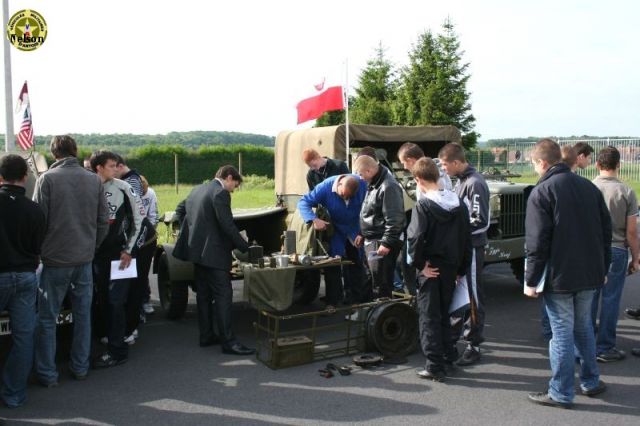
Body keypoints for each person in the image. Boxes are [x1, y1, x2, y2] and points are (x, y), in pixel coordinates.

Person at [524, 139, 611, 409]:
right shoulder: (589, 188)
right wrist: (603, 268)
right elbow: (605, 234)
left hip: (560, 276)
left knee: (561, 332)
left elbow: (537, 243)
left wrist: (530, 279)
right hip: (589, 272)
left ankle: (561, 392)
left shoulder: (542, 191)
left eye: (533, 163)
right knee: (583, 327)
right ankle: (591, 381)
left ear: (542, 162)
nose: (534, 167)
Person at [34, 135, 109, 386]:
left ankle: (47, 373)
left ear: (54, 154)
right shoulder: (93, 180)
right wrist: (92, 246)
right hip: (84, 258)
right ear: (75, 151)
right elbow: (103, 221)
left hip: (54, 260)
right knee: (82, 315)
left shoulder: (47, 179)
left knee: (47, 318)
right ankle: (80, 367)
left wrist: (40, 251)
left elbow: (38, 221)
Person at [173, 165, 253, 355]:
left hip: (197, 253)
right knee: (224, 296)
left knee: (204, 296)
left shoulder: (197, 190)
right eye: (235, 184)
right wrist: (245, 247)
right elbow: (227, 225)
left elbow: (180, 210)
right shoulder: (221, 193)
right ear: (229, 177)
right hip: (215, 255)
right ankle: (229, 342)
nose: (234, 188)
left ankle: (206, 335)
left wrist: (193, 230)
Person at [407, 157, 471, 382]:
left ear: (418, 180)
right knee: (445, 313)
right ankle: (448, 355)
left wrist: (419, 265)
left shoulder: (423, 205)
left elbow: (415, 238)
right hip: (451, 267)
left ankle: (434, 365)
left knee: (428, 317)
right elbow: (466, 240)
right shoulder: (459, 203)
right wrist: (461, 269)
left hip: (431, 267)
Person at [90, 151, 143, 368]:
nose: (116, 168)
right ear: (98, 168)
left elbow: (139, 220)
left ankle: (117, 350)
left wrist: (128, 250)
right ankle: (105, 340)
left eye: (116, 165)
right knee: (101, 301)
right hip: (93, 256)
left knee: (115, 302)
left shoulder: (123, 187)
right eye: (111, 165)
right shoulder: (87, 187)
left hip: (120, 256)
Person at [438, 143, 490, 366]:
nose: (443, 169)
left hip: (472, 249)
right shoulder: (460, 182)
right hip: (460, 249)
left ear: (456, 162)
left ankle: (474, 345)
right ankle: (454, 337)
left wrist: (456, 235)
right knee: (461, 294)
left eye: (444, 164)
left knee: (473, 297)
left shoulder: (475, 183)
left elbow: (481, 222)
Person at [0, 155, 46, 407]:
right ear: (25, 177)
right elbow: (38, 247)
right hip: (26, 277)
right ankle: (14, 393)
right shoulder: (34, 209)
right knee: (24, 337)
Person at [591, 146, 639, 362]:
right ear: (619, 165)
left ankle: (586, 342)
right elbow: (631, 231)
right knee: (611, 299)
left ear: (597, 164)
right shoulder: (627, 192)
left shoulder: (588, 188)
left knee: (588, 298)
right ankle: (605, 347)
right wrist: (636, 257)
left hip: (591, 250)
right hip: (617, 249)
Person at [298, 174, 367, 306]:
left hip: (355, 230)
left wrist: (363, 232)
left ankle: (356, 302)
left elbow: (371, 209)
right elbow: (303, 202)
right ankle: (333, 302)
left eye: (349, 197)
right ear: (339, 185)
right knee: (333, 265)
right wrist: (314, 219)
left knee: (356, 264)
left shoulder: (363, 185)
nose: (346, 199)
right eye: (343, 195)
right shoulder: (325, 187)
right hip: (335, 230)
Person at [397, 143, 452, 296]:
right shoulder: (438, 171)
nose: (404, 167)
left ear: (411, 159)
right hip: (440, 233)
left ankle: (413, 294)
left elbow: (429, 208)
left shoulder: (431, 177)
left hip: (431, 233)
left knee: (410, 260)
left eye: (404, 162)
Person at [114, 154, 156, 342]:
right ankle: (132, 323)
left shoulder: (130, 181)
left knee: (134, 284)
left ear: (119, 166)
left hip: (141, 241)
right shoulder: (128, 180)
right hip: (139, 239)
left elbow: (135, 215)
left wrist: (130, 248)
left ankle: (131, 328)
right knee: (132, 284)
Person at [353, 155, 405, 300]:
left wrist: (387, 243)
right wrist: (362, 233)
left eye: (361, 174)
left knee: (381, 282)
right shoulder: (374, 184)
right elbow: (370, 212)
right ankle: (369, 313)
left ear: (369, 171)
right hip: (373, 239)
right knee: (370, 279)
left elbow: (395, 219)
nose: (360, 178)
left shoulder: (388, 186)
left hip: (381, 240)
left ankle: (381, 317)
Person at [140, 175, 159, 315]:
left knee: (144, 270)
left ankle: (145, 300)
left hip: (147, 236)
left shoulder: (150, 193)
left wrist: (148, 234)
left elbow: (153, 214)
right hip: (133, 236)